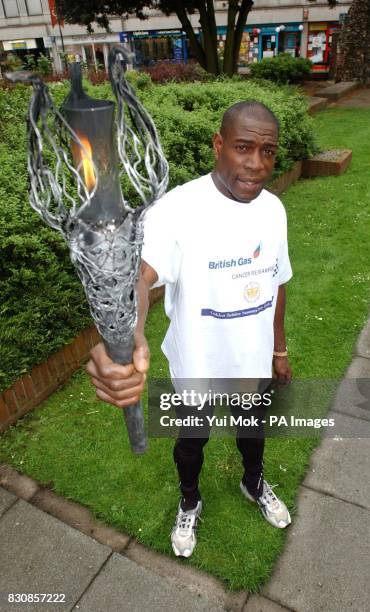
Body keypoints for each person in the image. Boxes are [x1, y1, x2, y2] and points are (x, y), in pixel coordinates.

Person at [87, 100, 293, 558]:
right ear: (218, 145)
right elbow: (140, 276)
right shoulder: (178, 209)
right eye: (243, 148)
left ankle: (253, 482)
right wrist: (127, 334)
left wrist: (279, 351)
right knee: (191, 442)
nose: (256, 165)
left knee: (252, 432)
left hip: (251, 364)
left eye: (268, 151)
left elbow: (279, 283)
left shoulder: (274, 210)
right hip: (198, 365)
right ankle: (189, 500)